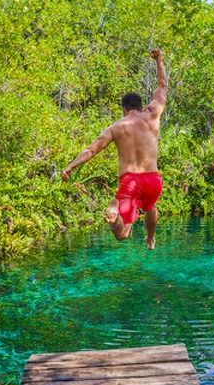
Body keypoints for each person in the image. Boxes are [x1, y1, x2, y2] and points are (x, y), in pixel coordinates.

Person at [61, 48, 168, 250]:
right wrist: (159, 60)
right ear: (141, 105)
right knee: (150, 206)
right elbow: (163, 86)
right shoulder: (152, 115)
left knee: (122, 234)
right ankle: (150, 239)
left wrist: (69, 167)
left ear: (123, 109)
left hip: (130, 181)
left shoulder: (116, 127)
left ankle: (114, 213)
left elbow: (91, 150)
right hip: (152, 178)